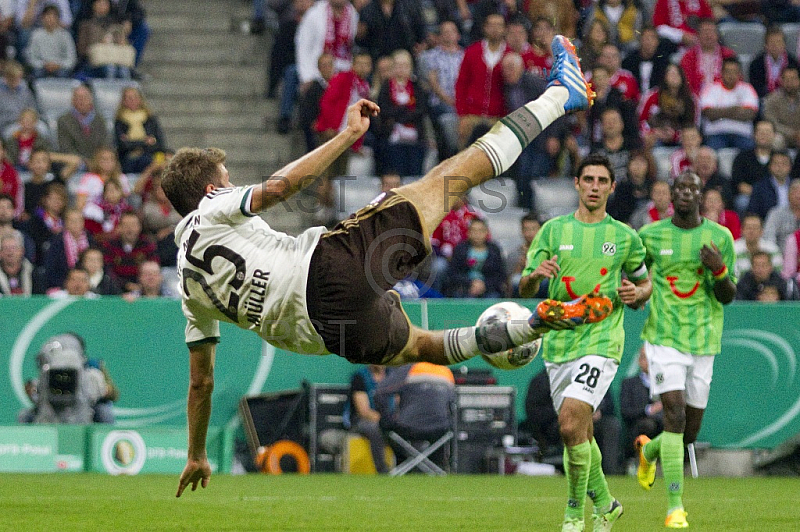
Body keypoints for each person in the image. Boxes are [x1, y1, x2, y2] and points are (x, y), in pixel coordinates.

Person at [168, 36, 613, 498]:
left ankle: (528, 326)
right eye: (225, 181)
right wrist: (345, 137)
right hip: (323, 272)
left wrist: (196, 453)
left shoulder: (187, 286)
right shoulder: (212, 208)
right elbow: (279, 188)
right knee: (450, 179)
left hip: (321, 336)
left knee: (425, 346)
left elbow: (201, 383)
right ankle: (563, 93)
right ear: (207, 191)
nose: (231, 184)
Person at [518, 153, 653, 532]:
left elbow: (645, 283)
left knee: (568, 421)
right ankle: (607, 504)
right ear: (576, 184)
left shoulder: (625, 237)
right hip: (559, 343)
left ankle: (575, 513)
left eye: (601, 181)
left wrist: (638, 295)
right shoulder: (553, 231)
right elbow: (525, 285)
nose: (594, 186)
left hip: (602, 340)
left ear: (611, 187)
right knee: (577, 431)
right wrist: (535, 276)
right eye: (588, 179)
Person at [635, 170, 737, 530]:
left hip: (704, 340)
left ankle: (649, 451)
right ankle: (675, 507)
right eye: (679, 187)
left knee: (687, 433)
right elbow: (635, 279)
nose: (685, 193)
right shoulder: (650, 235)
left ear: (701, 195)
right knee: (674, 416)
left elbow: (728, 295)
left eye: (692, 188)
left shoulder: (719, 237)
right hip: (664, 338)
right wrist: (633, 294)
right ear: (670, 194)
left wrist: (720, 270)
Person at [374, 362, 456, 471]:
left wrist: (389, 417)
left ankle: (402, 464)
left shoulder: (409, 370)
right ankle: (436, 468)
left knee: (383, 424)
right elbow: (452, 403)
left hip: (408, 429)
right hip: (440, 430)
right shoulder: (446, 371)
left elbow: (380, 392)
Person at [699, 57, 758, 151]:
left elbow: (749, 114)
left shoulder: (747, 89)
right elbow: (709, 114)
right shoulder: (711, 88)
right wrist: (735, 109)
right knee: (708, 152)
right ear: (721, 73)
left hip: (742, 134)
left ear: (740, 74)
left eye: (735, 72)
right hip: (716, 134)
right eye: (728, 71)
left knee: (751, 151)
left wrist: (720, 112)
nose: (731, 75)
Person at [442, 218, 507, 298]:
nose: (477, 234)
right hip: (464, 288)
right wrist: (470, 283)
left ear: (486, 232)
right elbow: (453, 273)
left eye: (480, 231)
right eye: (473, 231)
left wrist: (484, 285)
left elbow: (500, 275)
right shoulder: (460, 249)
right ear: (468, 232)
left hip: (489, 289)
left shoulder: (494, 250)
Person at [619, 346, 663, 464]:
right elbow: (626, 412)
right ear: (639, 360)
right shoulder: (629, 383)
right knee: (647, 425)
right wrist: (648, 410)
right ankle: (642, 461)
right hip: (639, 427)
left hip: (662, 424)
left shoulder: (664, 382)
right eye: (644, 357)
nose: (648, 361)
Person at [346, 364, 389, 473]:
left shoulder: (393, 375)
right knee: (374, 428)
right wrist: (385, 421)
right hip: (361, 421)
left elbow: (399, 402)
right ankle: (382, 470)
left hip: (388, 421)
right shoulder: (360, 377)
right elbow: (363, 411)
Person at [113, 86, 166, 174]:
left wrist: (131, 142)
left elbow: (158, 143)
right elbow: (122, 146)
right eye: (129, 98)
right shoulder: (119, 121)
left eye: (135, 97)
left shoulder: (150, 120)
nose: (132, 101)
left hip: (149, 156)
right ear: (123, 101)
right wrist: (145, 142)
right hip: (127, 159)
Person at [25, 4, 76, 79]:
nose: (50, 19)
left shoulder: (65, 35)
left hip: (60, 67)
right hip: (42, 67)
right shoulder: (36, 34)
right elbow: (31, 57)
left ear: (58, 19)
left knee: (63, 73)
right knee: (37, 73)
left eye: (53, 16)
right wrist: (44, 64)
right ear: (42, 18)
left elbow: (71, 59)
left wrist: (58, 65)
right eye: (48, 16)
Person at [733, 213, 782, 278]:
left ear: (762, 231)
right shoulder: (734, 249)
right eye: (748, 227)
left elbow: (778, 275)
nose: (751, 231)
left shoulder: (772, 250)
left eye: (755, 228)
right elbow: (733, 277)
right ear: (742, 230)